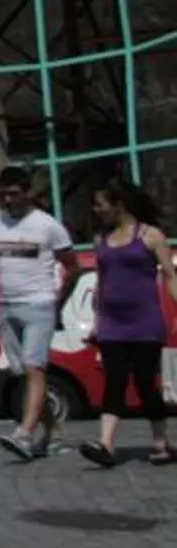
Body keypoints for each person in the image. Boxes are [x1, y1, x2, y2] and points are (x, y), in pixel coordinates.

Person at [0, 167, 71, 461]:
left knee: (35, 369)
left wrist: (58, 297)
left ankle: (23, 433)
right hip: (8, 306)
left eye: (14, 193)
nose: (9, 199)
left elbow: (73, 265)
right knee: (23, 374)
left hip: (39, 304)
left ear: (27, 191)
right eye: (3, 193)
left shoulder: (48, 225)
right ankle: (53, 431)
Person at [81, 180, 175, 468]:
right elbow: (102, 280)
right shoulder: (102, 239)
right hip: (112, 323)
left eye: (101, 204)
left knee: (146, 383)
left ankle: (161, 443)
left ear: (118, 205)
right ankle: (106, 445)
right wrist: (97, 320)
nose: (97, 210)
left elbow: (170, 275)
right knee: (115, 380)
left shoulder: (150, 235)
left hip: (145, 321)